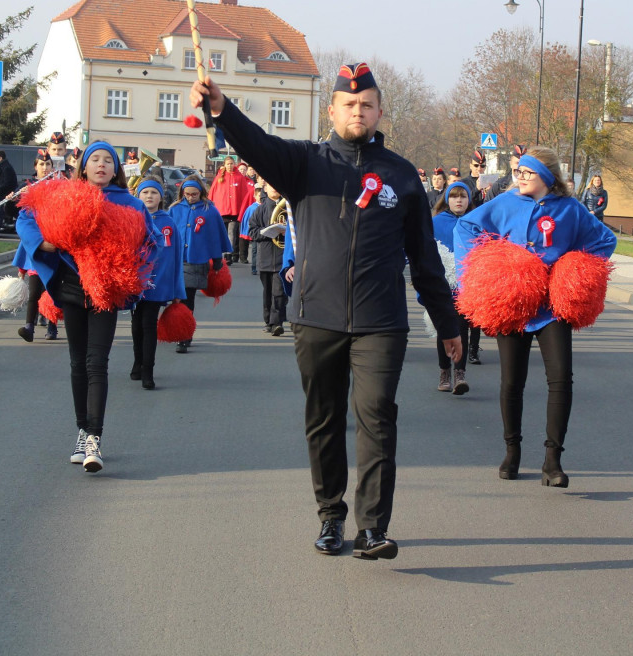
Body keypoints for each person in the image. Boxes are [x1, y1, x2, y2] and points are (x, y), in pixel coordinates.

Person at [191, 62, 460, 561]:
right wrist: (222, 110)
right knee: (325, 418)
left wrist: (448, 323)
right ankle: (331, 516)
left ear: (380, 112)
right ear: (332, 110)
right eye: (349, 104)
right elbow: (257, 143)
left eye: (368, 105)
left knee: (377, 417)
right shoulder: (304, 163)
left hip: (381, 321)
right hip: (316, 316)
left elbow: (424, 257)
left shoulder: (401, 176)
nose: (358, 111)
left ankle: (373, 527)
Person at [455, 146, 617, 487]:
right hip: (513, 301)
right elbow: (466, 229)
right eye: (519, 172)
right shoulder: (505, 203)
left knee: (561, 379)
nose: (520, 177)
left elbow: (605, 239)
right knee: (512, 381)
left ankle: (552, 458)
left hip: (551, 307)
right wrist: (491, 265)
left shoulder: (570, 208)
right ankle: (512, 451)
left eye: (527, 173)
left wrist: (572, 269)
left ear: (546, 176)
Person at [16, 140, 152, 472]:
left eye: (109, 160)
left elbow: (150, 242)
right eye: (96, 159)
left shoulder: (132, 204)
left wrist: (129, 269)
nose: (102, 165)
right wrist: (43, 243)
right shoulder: (64, 195)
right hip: (72, 287)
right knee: (78, 362)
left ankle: (94, 438)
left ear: (117, 169)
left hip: (106, 291)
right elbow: (26, 216)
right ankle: (82, 430)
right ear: (85, 166)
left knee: (97, 363)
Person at [130, 178, 186, 389]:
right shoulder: (132, 218)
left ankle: (148, 370)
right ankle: (138, 362)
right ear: (138, 196)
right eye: (145, 193)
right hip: (135, 281)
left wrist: (177, 289)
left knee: (148, 324)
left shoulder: (168, 222)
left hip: (158, 282)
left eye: (154, 193)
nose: (149, 196)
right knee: (136, 325)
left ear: (161, 197)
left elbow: (176, 256)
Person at [168, 178, 231, 353]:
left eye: (194, 194)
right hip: (176, 261)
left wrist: (217, 260)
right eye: (187, 194)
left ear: (201, 193)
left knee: (188, 298)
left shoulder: (209, 210)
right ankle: (179, 329)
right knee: (176, 299)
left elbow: (215, 236)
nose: (190, 198)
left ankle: (184, 335)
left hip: (196, 261)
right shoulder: (174, 209)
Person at [431, 181, 473, 394]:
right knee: (444, 329)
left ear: (469, 200)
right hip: (443, 285)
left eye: (463, 196)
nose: (459, 200)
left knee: (462, 328)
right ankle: (444, 371)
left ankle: (460, 373)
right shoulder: (437, 222)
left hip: (467, 285)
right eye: (455, 196)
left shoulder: (475, 222)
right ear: (447, 199)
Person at [14, 151, 60, 342]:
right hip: (35, 246)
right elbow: (18, 217)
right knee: (34, 292)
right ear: (35, 167)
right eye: (41, 165)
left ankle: (52, 327)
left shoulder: (58, 186)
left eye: (48, 164)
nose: (45, 168)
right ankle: (29, 327)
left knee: (52, 290)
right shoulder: (27, 187)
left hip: (53, 243)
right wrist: (17, 198)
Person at [248, 181, 288, 336]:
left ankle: (277, 322)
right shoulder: (260, 210)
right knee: (267, 292)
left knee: (279, 291)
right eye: (271, 186)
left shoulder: (288, 208)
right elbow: (252, 232)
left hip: (282, 257)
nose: (274, 189)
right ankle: (268, 321)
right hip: (265, 258)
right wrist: (267, 232)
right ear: (265, 188)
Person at [209, 155, 254, 264]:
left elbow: (244, 194)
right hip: (222, 211)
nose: (230, 166)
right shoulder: (220, 177)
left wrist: (243, 209)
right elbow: (213, 193)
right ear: (224, 165)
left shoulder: (239, 177)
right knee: (222, 233)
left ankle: (228, 255)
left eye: (231, 163)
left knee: (231, 234)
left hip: (234, 211)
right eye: (228, 164)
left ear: (234, 164)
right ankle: (222, 254)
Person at [240, 185, 264, 275]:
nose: (260, 197)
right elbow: (247, 221)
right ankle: (254, 267)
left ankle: (262, 267)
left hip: (264, 232)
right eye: (259, 195)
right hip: (256, 232)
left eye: (262, 196)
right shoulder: (251, 208)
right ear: (255, 196)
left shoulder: (266, 206)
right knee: (255, 250)